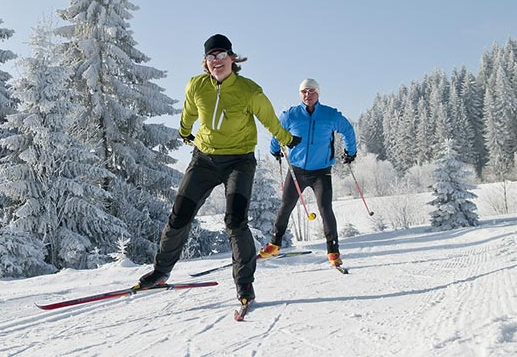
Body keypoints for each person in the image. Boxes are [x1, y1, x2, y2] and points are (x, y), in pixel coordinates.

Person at [134, 34, 299, 306]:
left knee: (235, 222)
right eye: (212, 56)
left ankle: (245, 285)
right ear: (205, 62)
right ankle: (161, 272)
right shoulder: (196, 86)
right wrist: (185, 132)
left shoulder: (249, 90)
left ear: (233, 59)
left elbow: (269, 119)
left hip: (239, 162)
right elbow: (189, 112)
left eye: (222, 55)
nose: (217, 61)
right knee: (179, 216)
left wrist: (286, 138)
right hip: (204, 161)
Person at [260, 78, 357, 268]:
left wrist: (350, 151)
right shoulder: (291, 115)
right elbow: (277, 131)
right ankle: (274, 244)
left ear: (318, 93)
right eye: (304, 91)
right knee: (285, 207)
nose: (307, 95)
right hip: (297, 170)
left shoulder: (329, 115)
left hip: (321, 172)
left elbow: (347, 129)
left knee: (325, 209)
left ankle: (333, 251)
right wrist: (274, 149)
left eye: (311, 91)